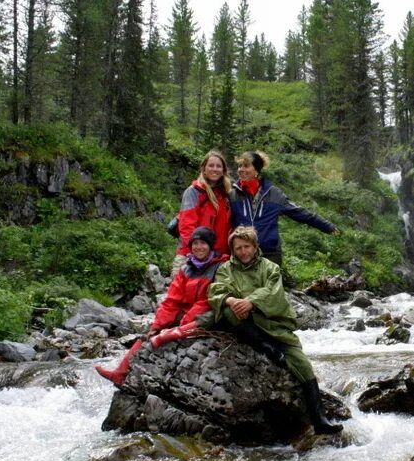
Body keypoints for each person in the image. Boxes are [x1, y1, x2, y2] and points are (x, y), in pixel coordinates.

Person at [207, 226, 343, 434]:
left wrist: (251, 301)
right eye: (238, 248)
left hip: (274, 322)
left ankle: (320, 419)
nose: (243, 252)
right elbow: (218, 290)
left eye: (247, 247)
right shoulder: (226, 269)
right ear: (233, 250)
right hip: (246, 320)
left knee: (303, 364)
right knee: (228, 312)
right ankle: (265, 346)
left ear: (255, 246)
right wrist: (232, 300)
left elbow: (273, 292)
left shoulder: (270, 267)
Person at [96, 227, 223, 387]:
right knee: (147, 335)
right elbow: (171, 300)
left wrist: (183, 323)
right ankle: (120, 373)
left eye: (203, 243)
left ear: (211, 246)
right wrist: (158, 325)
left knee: (171, 333)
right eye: (195, 243)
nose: (198, 247)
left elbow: (208, 301)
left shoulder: (219, 268)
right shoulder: (186, 269)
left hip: (203, 317)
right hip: (184, 313)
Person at [229, 150, 340, 267]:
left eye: (246, 166)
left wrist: (327, 226)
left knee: (271, 285)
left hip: (269, 254)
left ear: (256, 170)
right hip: (242, 254)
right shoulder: (232, 194)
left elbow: (300, 212)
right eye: (239, 166)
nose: (241, 170)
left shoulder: (273, 193)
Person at [171, 150, 233, 277]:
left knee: (214, 295)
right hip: (191, 255)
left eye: (218, 166)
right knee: (180, 293)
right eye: (211, 165)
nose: (215, 169)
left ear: (223, 170)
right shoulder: (194, 192)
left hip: (218, 258)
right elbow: (186, 226)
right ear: (203, 169)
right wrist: (195, 252)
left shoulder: (226, 195)